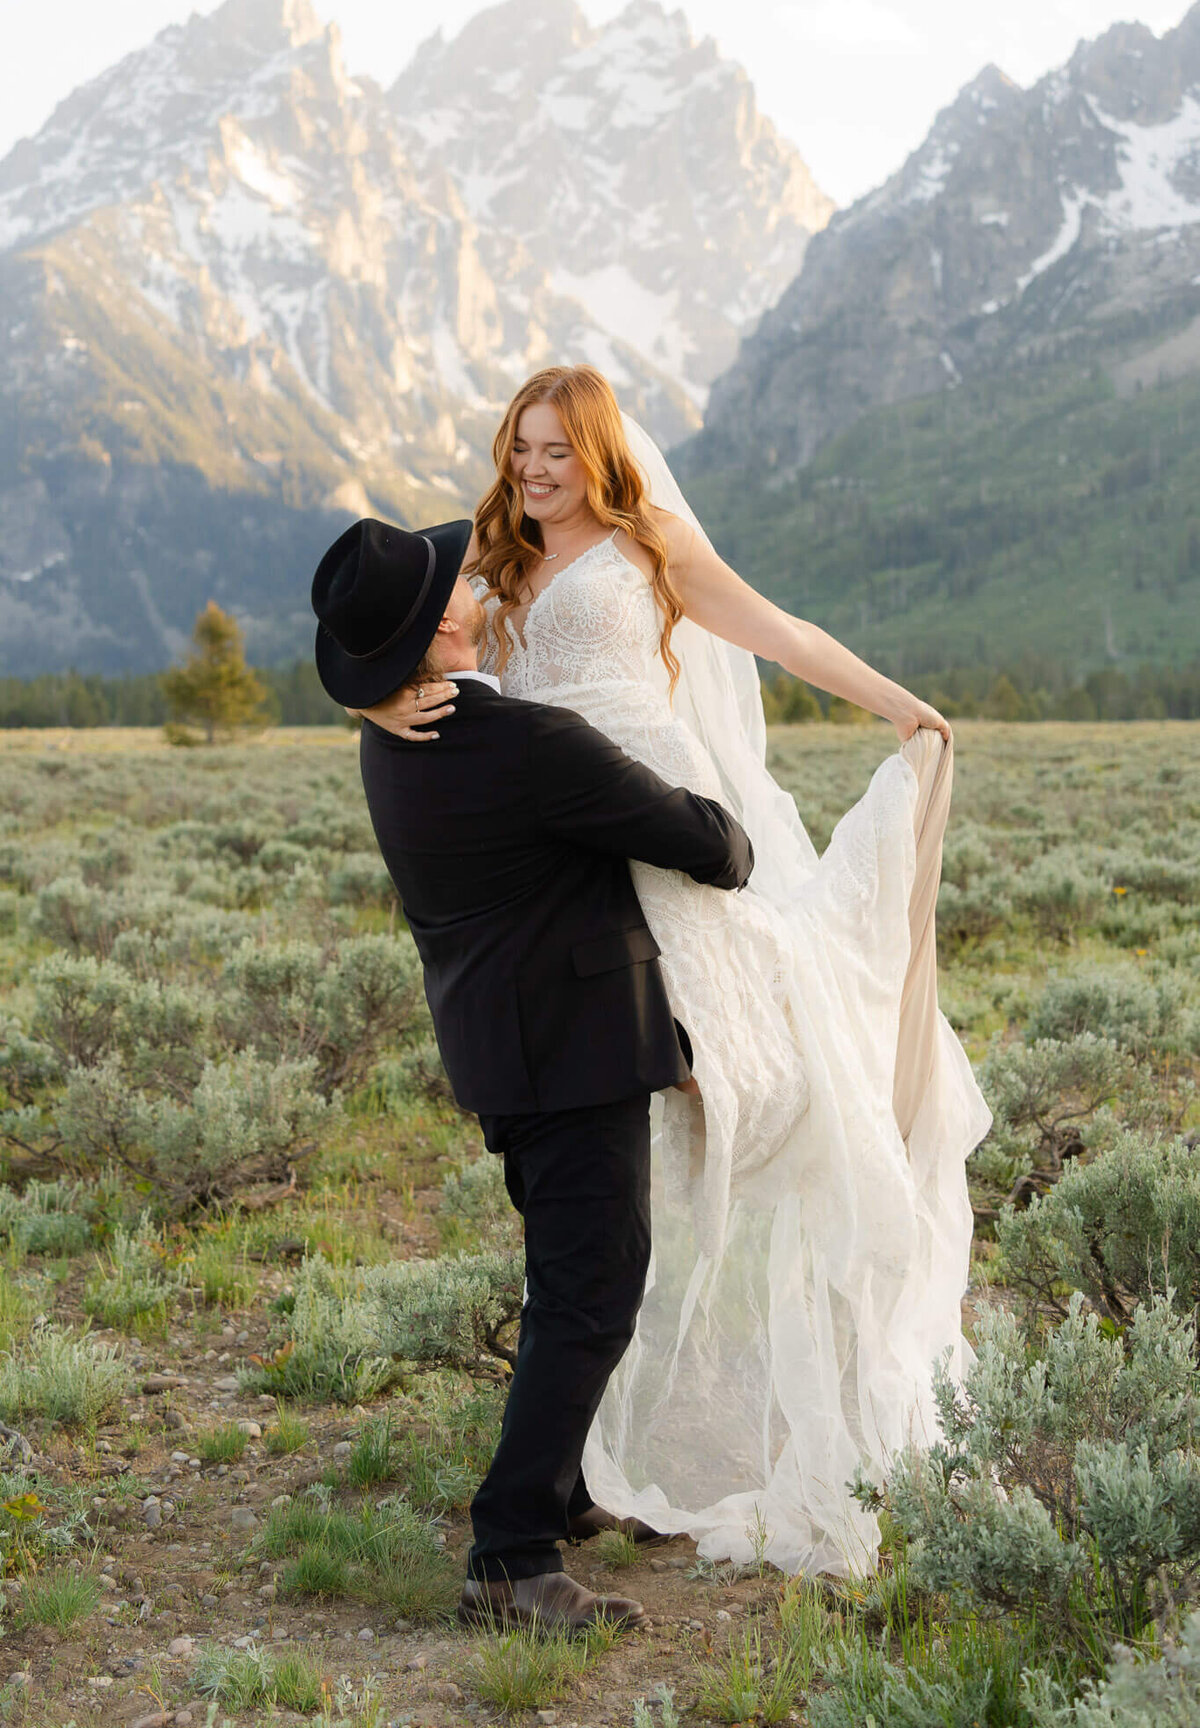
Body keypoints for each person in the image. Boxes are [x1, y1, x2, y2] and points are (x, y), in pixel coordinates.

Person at [359, 365, 993, 1578]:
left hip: (650, 812)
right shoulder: (492, 568)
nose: (534, 472)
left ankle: (603, 1449)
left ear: (600, 453)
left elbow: (783, 631)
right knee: (606, 1168)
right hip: (566, 853)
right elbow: (399, 640)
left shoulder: (652, 554)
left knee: (761, 1074)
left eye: (556, 452)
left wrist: (899, 704)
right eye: (520, 450)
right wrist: (385, 705)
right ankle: (564, 1473)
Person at [310, 513, 753, 1631]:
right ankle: (510, 1557)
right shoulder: (530, 745)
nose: (474, 585)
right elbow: (714, 845)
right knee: (592, 1291)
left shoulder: (389, 738)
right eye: (458, 584)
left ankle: (562, 1491)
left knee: (571, 1279)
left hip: (501, 1050)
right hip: (573, 1049)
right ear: (449, 627)